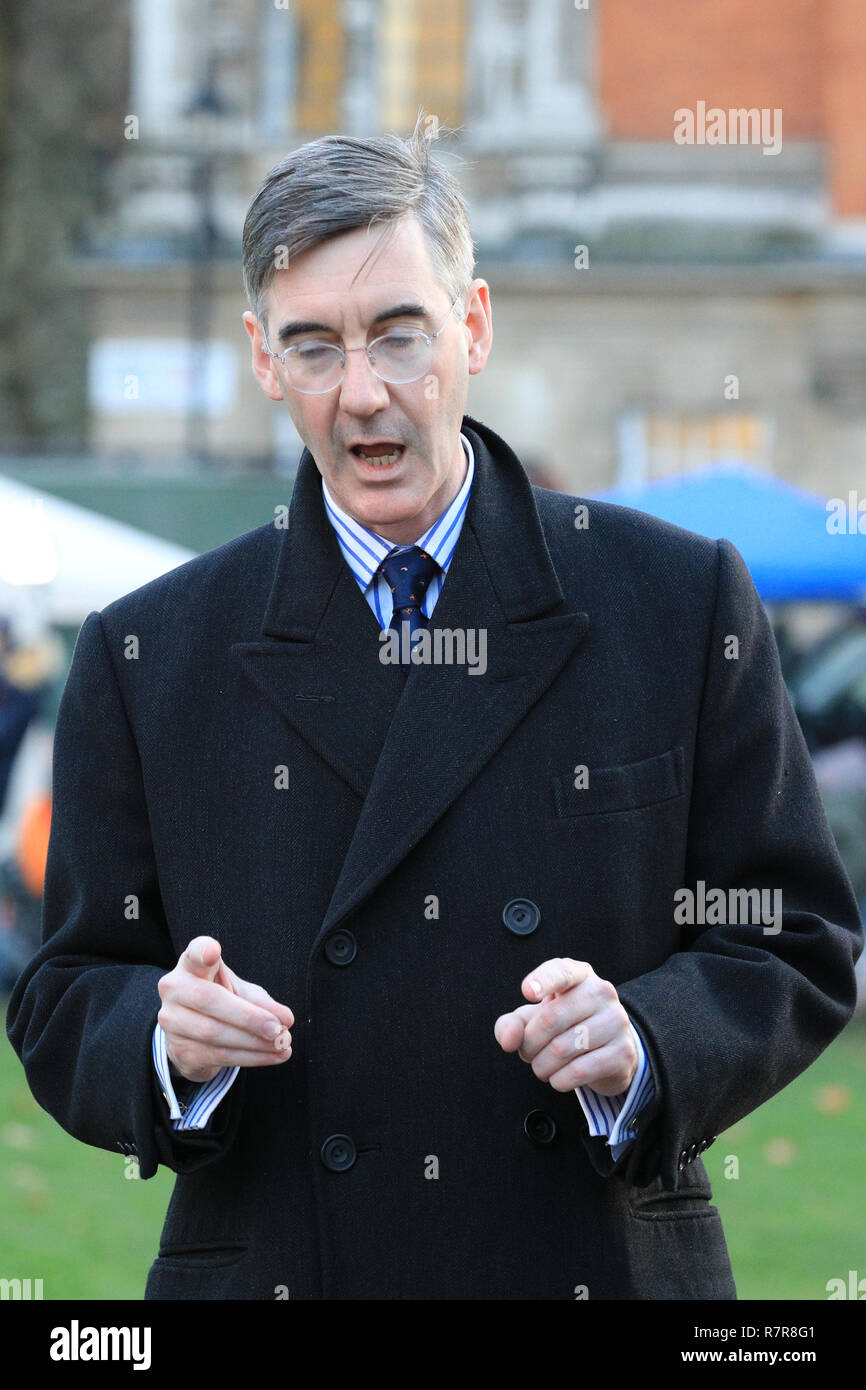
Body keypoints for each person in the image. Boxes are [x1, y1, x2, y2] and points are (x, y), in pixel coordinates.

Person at [7, 113, 863, 1301]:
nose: (361, 394)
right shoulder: (148, 651)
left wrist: (652, 1039)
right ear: (263, 360)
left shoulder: (673, 599)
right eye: (313, 347)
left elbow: (790, 936)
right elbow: (62, 993)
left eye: (396, 334)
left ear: (472, 325)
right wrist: (164, 1040)